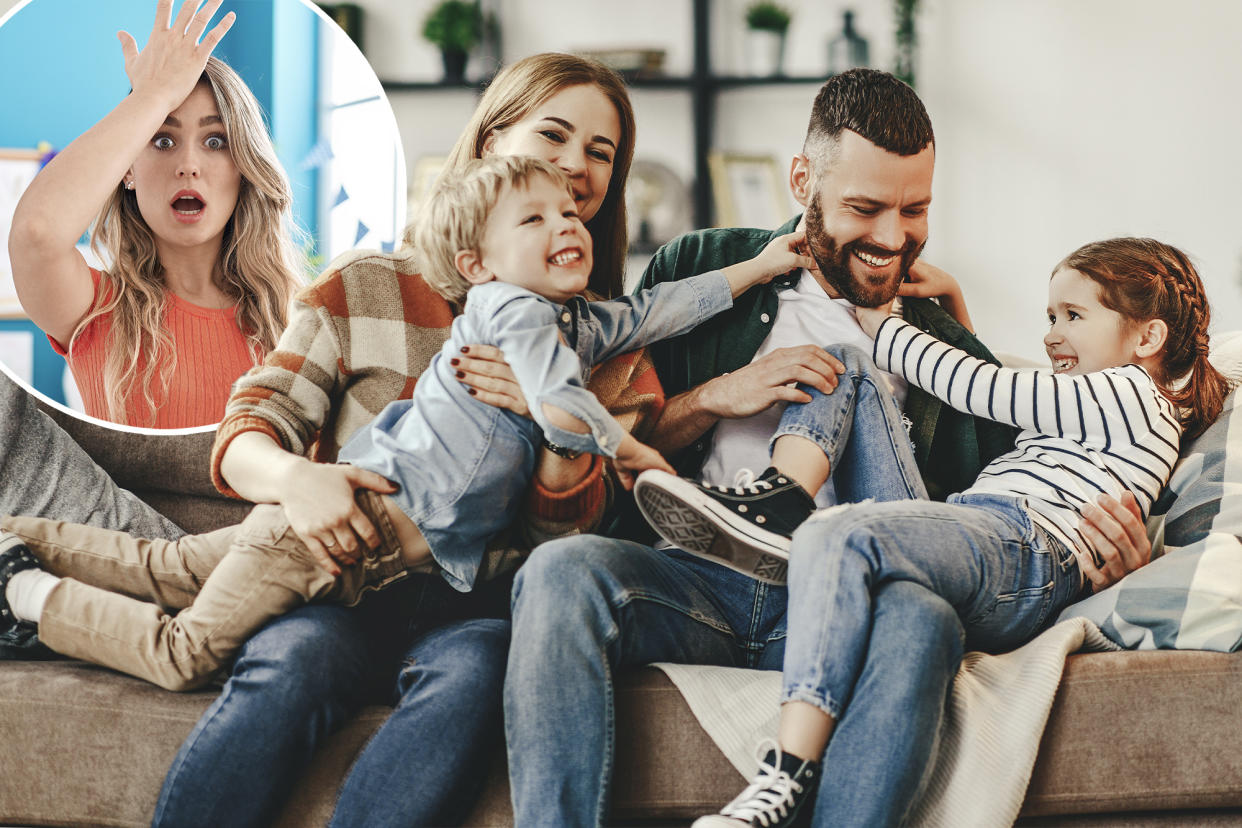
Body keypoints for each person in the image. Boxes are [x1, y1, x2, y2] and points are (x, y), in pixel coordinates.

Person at [503, 68, 1159, 827]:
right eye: (865, 208)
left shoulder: (936, 334)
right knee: (560, 571)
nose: (892, 239)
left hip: (849, 599)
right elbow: (614, 445)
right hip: (698, 582)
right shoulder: (702, 264)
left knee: (923, 615)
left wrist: (1105, 552)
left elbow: (1001, 511)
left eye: (915, 210)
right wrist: (715, 396)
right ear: (802, 179)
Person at [0, 154, 812, 691]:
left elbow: (659, 308)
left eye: (570, 213)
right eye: (535, 220)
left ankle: (9, 533)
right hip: (332, 534)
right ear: (477, 267)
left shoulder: (573, 322)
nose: (567, 225)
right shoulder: (512, 312)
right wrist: (635, 450)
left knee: (166, 564)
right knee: (183, 655)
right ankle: (27, 593)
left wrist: (761, 267)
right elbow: (560, 398)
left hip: (354, 543)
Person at [113, 50, 642, 828]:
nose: (575, 165)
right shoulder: (364, 284)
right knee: (293, 660)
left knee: (474, 675)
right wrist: (300, 481)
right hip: (339, 585)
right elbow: (247, 432)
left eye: (601, 153)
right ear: (491, 143)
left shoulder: (598, 337)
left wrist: (556, 423)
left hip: (475, 603)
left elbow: (560, 538)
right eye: (554, 136)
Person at [631, 235, 1228, 826]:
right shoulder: (1094, 409)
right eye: (1049, 316)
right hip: (980, 533)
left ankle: (786, 772)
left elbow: (987, 391)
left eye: (1074, 315)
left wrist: (882, 321)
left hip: (1026, 545)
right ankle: (780, 503)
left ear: (1149, 336)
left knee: (838, 534)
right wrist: (955, 307)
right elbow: (1006, 410)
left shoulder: (1131, 394)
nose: (1050, 334)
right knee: (847, 368)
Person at [7, 0, 301, 427]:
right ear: (127, 169)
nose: (188, 164)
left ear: (245, 168)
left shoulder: (298, 320)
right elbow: (36, 233)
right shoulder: (95, 310)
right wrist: (152, 96)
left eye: (215, 141)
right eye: (163, 140)